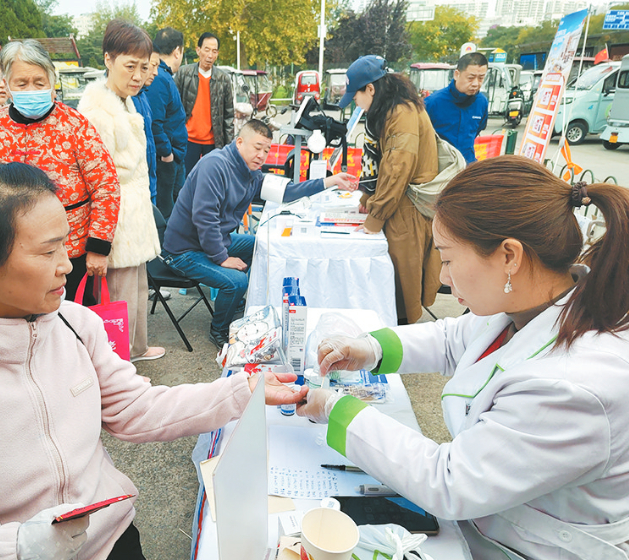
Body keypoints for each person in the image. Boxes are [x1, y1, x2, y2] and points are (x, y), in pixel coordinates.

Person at [0, 162, 307, 560]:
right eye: (46, 251)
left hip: (110, 547)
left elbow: (133, 407)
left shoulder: (75, 325)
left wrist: (244, 392)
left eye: (67, 245)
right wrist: (13, 549)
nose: (67, 265)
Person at [299, 155, 629, 560]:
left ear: (510, 256)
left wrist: (335, 408)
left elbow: (449, 481)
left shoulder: (576, 386)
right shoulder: (535, 302)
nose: (445, 278)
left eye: (449, 259)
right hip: (490, 527)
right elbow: (453, 338)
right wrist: (368, 348)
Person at [162, 119, 359, 348]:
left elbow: (287, 191)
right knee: (236, 281)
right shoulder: (215, 165)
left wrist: (330, 181)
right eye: (257, 148)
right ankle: (220, 330)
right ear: (239, 142)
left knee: (262, 245)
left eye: (266, 150)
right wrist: (222, 258)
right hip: (183, 251)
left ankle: (236, 304)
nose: (262, 155)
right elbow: (204, 218)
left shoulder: (251, 174)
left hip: (211, 242)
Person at [0, 39, 120, 305]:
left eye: (39, 82)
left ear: (52, 81)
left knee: (69, 324)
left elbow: (106, 185)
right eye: (22, 83)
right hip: (8, 253)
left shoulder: (75, 125)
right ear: (6, 84)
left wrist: (98, 247)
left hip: (70, 254)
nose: (31, 89)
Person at [78, 21, 165, 362]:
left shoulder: (124, 101)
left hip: (133, 211)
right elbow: (97, 179)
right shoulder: (98, 111)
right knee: (118, 294)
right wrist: (100, 239)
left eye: (144, 68)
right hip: (116, 217)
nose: (138, 76)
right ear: (108, 60)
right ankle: (119, 363)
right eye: (130, 66)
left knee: (136, 287)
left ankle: (136, 348)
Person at [338, 55, 441, 324]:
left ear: (370, 89)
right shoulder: (393, 108)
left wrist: (375, 217)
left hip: (408, 207)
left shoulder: (401, 113)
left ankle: (398, 336)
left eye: (356, 96)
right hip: (400, 202)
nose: (356, 104)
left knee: (401, 277)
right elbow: (384, 163)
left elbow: (397, 169)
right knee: (397, 274)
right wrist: (368, 197)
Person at [174, 32, 234, 174]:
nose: (210, 55)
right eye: (206, 50)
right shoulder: (184, 74)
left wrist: (229, 148)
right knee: (186, 183)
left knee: (209, 183)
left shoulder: (223, 79)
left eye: (214, 51)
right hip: (188, 140)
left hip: (213, 143)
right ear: (198, 50)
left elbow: (229, 116)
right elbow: (174, 108)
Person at [147, 27, 188, 219]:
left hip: (173, 155)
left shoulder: (163, 77)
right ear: (177, 51)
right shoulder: (160, 79)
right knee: (169, 214)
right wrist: (167, 154)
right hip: (168, 159)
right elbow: (155, 122)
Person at [425, 52, 489, 164]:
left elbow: (478, 129)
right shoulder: (432, 103)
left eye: (481, 78)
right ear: (456, 74)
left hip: (467, 166)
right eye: (471, 77)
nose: (475, 83)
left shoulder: (482, 102)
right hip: (439, 169)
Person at [132, 45, 159, 205]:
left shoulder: (143, 96)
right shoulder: (126, 100)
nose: (155, 72)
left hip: (150, 184)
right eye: (152, 66)